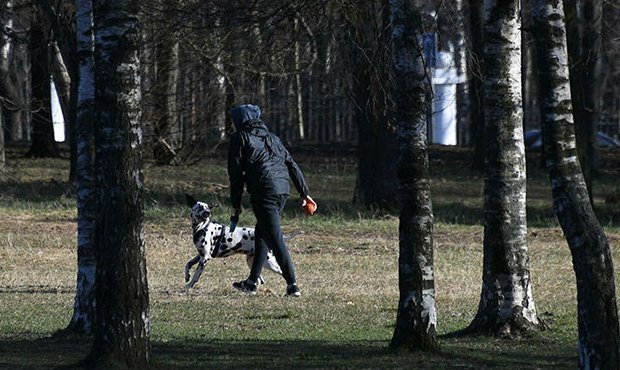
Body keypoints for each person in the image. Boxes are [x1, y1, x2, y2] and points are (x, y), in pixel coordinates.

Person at [227, 104, 316, 297]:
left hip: (263, 192)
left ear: (240, 121)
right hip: (282, 190)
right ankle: (251, 283)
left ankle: (293, 286)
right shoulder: (273, 138)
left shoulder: (240, 138)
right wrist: (304, 192)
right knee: (262, 232)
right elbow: (291, 164)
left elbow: (235, 175)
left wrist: (235, 205)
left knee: (275, 238)